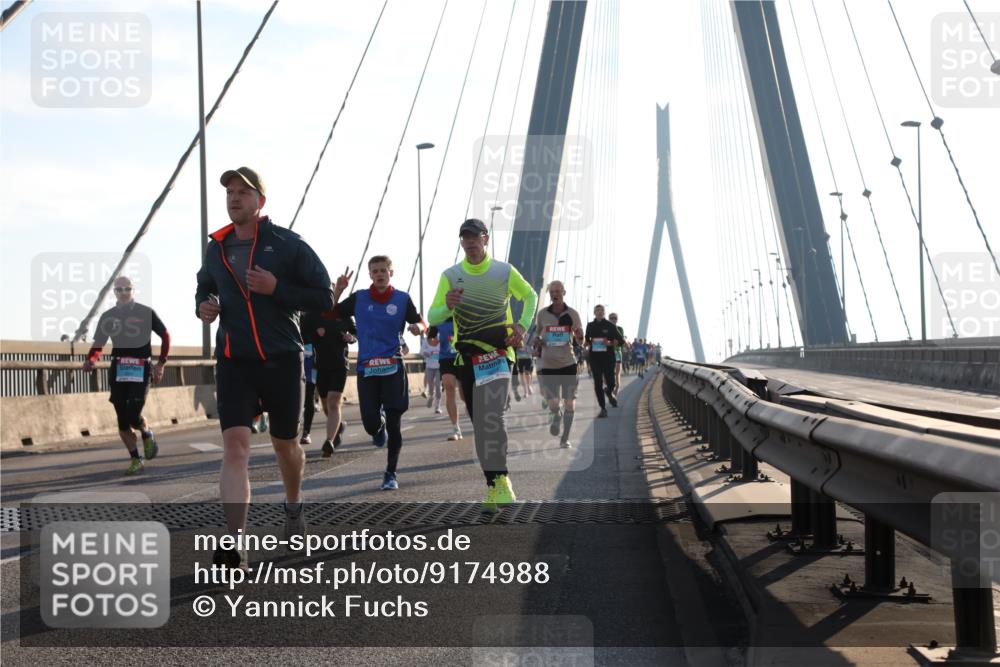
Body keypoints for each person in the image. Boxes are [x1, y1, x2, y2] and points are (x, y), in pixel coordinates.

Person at [196, 167, 333, 569]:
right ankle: (234, 541)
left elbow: (324, 296)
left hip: (282, 359)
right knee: (236, 446)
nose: (234, 198)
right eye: (230, 192)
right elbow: (204, 284)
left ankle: (293, 504)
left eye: (243, 192)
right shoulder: (217, 248)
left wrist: (277, 289)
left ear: (260, 201)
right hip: (234, 360)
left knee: (285, 446)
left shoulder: (288, 244)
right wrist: (203, 305)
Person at [427, 218, 537, 513]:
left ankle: (502, 480)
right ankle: (493, 484)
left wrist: (522, 326)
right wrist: (447, 305)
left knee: (493, 417)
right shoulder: (451, 276)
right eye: (465, 238)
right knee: (480, 423)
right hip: (468, 358)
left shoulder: (504, 271)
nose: (470, 242)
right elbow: (433, 315)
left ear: (486, 239)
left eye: (475, 237)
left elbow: (530, 296)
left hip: (499, 354)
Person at [332, 256, 423, 491]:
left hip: (393, 367)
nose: (380, 274)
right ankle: (377, 427)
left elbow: (421, 323)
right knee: (371, 425)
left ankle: (390, 473)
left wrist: (417, 328)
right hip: (367, 369)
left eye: (384, 270)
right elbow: (330, 315)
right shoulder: (359, 298)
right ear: (370, 275)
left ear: (391, 273)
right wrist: (338, 291)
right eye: (375, 271)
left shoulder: (402, 299)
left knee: (395, 424)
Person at [83, 275, 170, 475]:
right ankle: (136, 459)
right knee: (122, 420)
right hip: (119, 370)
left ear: (133, 290)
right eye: (119, 289)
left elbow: (165, 336)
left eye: (127, 289)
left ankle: (146, 431)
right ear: (114, 292)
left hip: (141, 368)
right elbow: (99, 344)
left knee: (133, 415)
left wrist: (161, 363)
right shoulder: (108, 316)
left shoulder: (146, 312)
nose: (123, 293)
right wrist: (91, 359)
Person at [533, 281, 584, 448]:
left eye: (558, 291)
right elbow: (538, 335)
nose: (555, 294)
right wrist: (538, 342)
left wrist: (580, 336)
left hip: (568, 362)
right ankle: (556, 414)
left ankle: (565, 438)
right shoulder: (542, 314)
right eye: (552, 292)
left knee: (569, 402)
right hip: (548, 364)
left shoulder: (573, 314)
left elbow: (580, 341)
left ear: (564, 292)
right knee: (554, 403)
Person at [300, 307, 356, 456]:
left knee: (333, 402)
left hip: (340, 365)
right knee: (326, 405)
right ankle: (338, 427)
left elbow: (355, 332)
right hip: (320, 366)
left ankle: (329, 441)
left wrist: (351, 338)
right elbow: (301, 335)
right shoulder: (312, 315)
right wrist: (314, 333)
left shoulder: (344, 313)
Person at [585, 304, 625, 418]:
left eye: (602, 310)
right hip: (595, 358)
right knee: (598, 383)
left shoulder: (610, 325)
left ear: (604, 312)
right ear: (594, 313)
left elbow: (621, 341)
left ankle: (609, 391)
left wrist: (610, 343)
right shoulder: (590, 325)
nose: (600, 312)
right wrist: (586, 343)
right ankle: (603, 408)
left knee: (612, 383)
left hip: (608, 358)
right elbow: (587, 339)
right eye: (597, 310)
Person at [429, 319, 463, 441]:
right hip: (446, 357)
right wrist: (433, 341)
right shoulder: (438, 315)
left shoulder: (461, 312)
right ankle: (456, 429)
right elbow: (431, 338)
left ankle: (477, 419)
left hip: (463, 355)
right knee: (449, 388)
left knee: (464, 395)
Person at [421, 332, 442, 413]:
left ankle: (437, 407)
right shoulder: (425, 341)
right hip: (429, 366)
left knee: (438, 386)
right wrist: (428, 354)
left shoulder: (441, 338)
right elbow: (421, 352)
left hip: (439, 366)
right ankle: (431, 397)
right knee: (431, 386)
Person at [609, 312, 625, 398]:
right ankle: (611, 387)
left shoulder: (620, 328)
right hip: (607, 353)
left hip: (617, 353)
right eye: (611, 318)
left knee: (617, 373)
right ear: (609, 319)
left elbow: (620, 340)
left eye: (615, 318)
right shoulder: (605, 329)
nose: (613, 319)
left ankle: (616, 389)